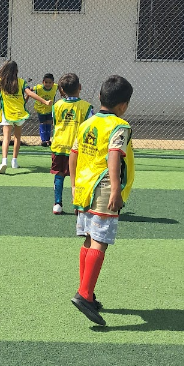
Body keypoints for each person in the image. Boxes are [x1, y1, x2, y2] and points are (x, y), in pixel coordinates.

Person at [69, 75, 134, 328]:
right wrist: (116, 188)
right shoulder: (120, 126)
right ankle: (84, 295)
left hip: (84, 187)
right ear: (124, 105)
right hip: (104, 186)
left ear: (99, 97)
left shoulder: (87, 123)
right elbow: (114, 155)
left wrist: (74, 185)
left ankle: (86, 291)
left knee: (89, 238)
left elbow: (74, 154)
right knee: (100, 240)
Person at [0, 60, 51, 174]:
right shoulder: (21, 82)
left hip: (7, 113)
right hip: (19, 113)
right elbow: (30, 93)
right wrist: (45, 101)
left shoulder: (1, 82)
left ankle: (4, 161)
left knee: (6, 137)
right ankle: (14, 161)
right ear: (16, 71)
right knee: (17, 137)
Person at [49, 73, 93, 215]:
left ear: (62, 90)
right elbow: (90, 126)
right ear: (80, 87)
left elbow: (55, 123)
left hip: (59, 146)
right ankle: (78, 204)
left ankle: (57, 204)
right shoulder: (86, 107)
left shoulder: (56, 106)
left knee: (59, 174)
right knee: (79, 176)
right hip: (78, 148)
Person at [32, 73, 57, 146]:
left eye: (50, 82)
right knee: (43, 123)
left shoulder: (55, 87)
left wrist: (62, 92)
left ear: (53, 83)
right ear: (43, 82)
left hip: (49, 109)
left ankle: (48, 140)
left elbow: (60, 86)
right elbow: (29, 90)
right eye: (46, 82)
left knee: (49, 123)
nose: (48, 84)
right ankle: (43, 140)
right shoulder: (39, 88)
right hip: (41, 109)